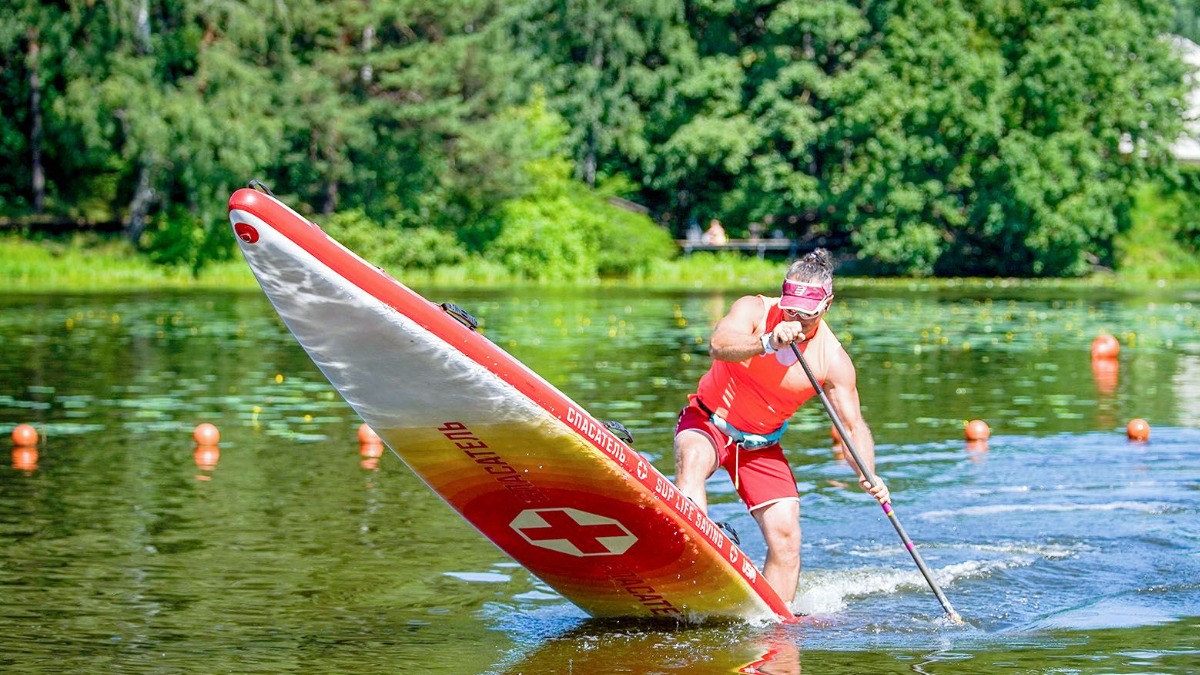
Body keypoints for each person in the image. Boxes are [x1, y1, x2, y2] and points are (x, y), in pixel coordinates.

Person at [672, 248, 890, 604]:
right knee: (692, 458)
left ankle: (774, 622)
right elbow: (718, 345)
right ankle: (695, 557)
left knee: (787, 537)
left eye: (807, 315)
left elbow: (852, 426)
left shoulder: (832, 360)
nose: (796, 320)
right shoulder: (754, 310)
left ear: (827, 306)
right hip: (709, 422)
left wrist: (869, 473)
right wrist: (767, 342)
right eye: (791, 310)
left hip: (762, 446)